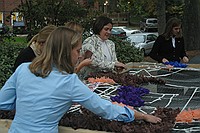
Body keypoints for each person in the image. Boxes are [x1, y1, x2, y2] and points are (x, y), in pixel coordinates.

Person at [0, 26, 161, 133]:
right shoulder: (69, 82)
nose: (79, 55)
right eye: (78, 51)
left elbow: (3, 102)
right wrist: (141, 116)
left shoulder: (23, 69)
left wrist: (28, 105)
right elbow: (105, 109)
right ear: (66, 51)